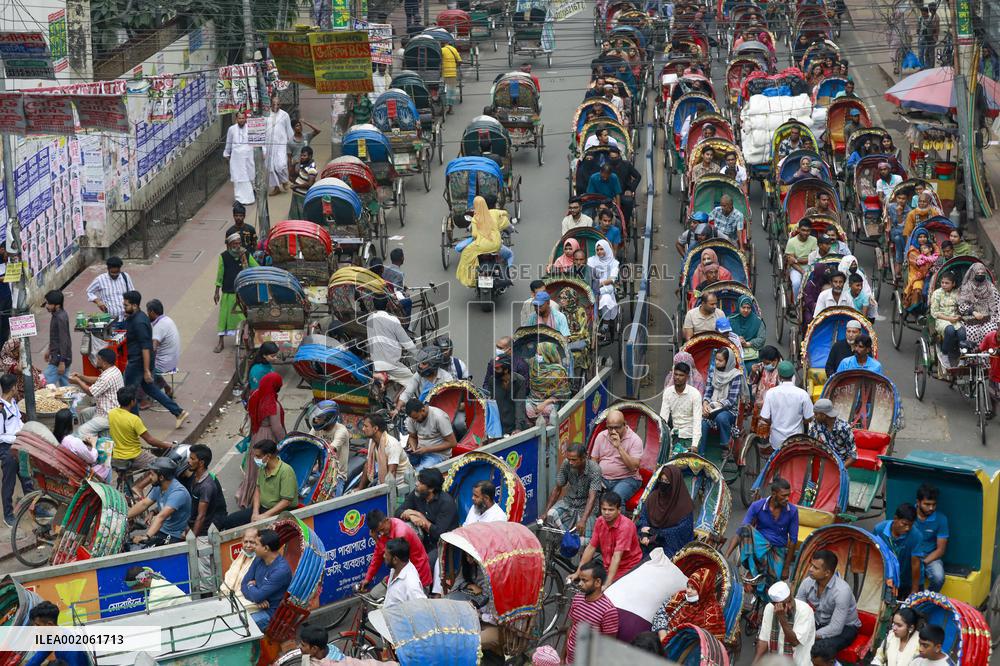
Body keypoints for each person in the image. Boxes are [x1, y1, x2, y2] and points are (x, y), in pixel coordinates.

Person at [728, 477, 800, 585]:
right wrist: (726, 556)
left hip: (778, 549)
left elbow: (793, 540)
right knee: (746, 528)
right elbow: (740, 531)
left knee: (772, 585)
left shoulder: (793, 511)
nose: (787, 499)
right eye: (784, 495)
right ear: (774, 494)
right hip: (759, 547)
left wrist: (786, 567)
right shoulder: (757, 506)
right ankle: (751, 568)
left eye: (788, 495)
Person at [108, 386, 174, 494]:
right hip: (134, 456)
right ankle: (138, 486)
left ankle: (129, 496)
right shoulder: (134, 419)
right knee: (159, 466)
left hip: (116, 456)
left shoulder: (111, 413)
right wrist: (167, 445)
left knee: (126, 478)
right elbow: (150, 440)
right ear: (132, 402)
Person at [236, 371, 286, 509]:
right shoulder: (272, 404)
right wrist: (284, 442)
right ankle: (257, 502)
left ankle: (245, 497)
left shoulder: (255, 396)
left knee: (253, 469)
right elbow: (277, 428)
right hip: (268, 436)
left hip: (256, 434)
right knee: (264, 470)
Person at [797, 550, 862, 654]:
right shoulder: (807, 582)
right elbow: (799, 607)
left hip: (845, 627)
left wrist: (810, 636)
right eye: (811, 565)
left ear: (827, 573)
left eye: (815, 568)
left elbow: (836, 628)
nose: (810, 570)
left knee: (820, 649)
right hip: (819, 621)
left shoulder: (842, 591)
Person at [224, 439, 297, 528]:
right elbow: (258, 490)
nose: (255, 459)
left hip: (280, 512)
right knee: (229, 521)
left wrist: (265, 515)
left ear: (268, 456)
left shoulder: (286, 471)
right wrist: (255, 512)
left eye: (258, 456)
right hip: (262, 509)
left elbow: (286, 501)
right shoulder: (263, 468)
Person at [573, 492, 642, 584]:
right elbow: (591, 548)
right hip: (608, 566)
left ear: (619, 510)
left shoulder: (626, 526)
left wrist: (607, 583)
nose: (606, 513)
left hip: (628, 568)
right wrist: (578, 572)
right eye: (604, 509)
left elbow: (616, 556)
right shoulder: (600, 521)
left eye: (611, 510)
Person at [396, 466, 458, 566]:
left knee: (425, 564)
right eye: (417, 480)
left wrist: (421, 517)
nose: (416, 484)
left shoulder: (446, 503)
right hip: (423, 541)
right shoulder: (417, 494)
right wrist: (412, 516)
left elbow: (439, 534)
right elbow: (398, 512)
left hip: (442, 546)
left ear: (431, 488)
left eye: (421, 483)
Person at [126, 457, 192, 548]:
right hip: (162, 530)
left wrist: (146, 536)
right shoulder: (159, 486)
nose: (150, 477)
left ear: (161, 477)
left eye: (152, 474)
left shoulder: (178, 493)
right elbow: (144, 504)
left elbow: (161, 517)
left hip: (174, 535)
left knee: (144, 553)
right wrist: (124, 517)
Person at [360, 509, 432, 590]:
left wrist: (377, 540)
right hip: (400, 575)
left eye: (382, 530)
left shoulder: (401, 533)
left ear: (386, 520)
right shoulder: (385, 531)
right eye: (379, 532)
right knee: (375, 595)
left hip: (417, 578)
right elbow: (377, 556)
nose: (382, 534)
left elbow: (392, 558)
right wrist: (367, 578)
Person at [543, 443, 602, 538]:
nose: (570, 462)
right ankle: (562, 541)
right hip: (568, 502)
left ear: (584, 457)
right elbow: (557, 489)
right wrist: (546, 512)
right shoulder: (566, 464)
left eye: (574, 460)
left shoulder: (594, 469)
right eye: (569, 459)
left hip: (586, 507)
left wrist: (583, 520)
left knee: (584, 541)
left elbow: (592, 497)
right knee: (551, 515)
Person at [651, 567, 726, 642]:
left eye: (693, 588)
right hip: (660, 635)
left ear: (704, 590)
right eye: (688, 586)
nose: (688, 591)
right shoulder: (680, 596)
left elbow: (703, 643)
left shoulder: (712, 613)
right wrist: (662, 632)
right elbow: (661, 612)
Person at [564, 562, 619, 663]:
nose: (580, 584)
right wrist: (563, 658)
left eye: (584, 580)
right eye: (580, 580)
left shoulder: (608, 610)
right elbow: (571, 629)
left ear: (597, 582)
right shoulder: (577, 598)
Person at [636, 465, 694, 557]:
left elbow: (682, 531)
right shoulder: (653, 497)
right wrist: (644, 534)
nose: (663, 484)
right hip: (649, 539)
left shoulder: (684, 505)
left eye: (667, 481)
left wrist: (658, 533)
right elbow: (643, 517)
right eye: (661, 480)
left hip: (670, 544)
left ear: (675, 484)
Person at [242, 528, 293, 632]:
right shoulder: (259, 559)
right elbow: (243, 583)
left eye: (256, 544)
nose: (253, 547)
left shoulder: (281, 571)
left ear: (265, 548)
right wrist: (257, 597)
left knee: (241, 625)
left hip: (271, 614)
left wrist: (251, 586)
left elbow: (254, 592)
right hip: (257, 606)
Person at [755, 580, 816, 666]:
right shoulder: (769, 608)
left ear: (791, 594)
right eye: (783, 604)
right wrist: (755, 662)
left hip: (798, 663)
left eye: (790, 601)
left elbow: (794, 642)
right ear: (773, 604)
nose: (789, 606)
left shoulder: (804, 611)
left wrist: (782, 618)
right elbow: (764, 640)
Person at [215, 233, 259, 353]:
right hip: (228, 291)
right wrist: (216, 291)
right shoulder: (223, 257)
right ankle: (221, 342)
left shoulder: (245, 254)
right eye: (235, 243)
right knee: (223, 317)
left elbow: (256, 267)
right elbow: (220, 274)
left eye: (239, 243)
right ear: (229, 245)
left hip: (242, 291)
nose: (238, 246)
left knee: (242, 316)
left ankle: (241, 339)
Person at [590, 409, 643, 501]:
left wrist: (619, 447)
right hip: (603, 478)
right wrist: (596, 478)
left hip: (627, 479)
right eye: (610, 428)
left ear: (624, 424)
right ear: (606, 425)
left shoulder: (635, 439)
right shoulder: (601, 436)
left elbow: (633, 467)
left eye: (617, 427)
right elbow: (593, 461)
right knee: (588, 492)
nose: (613, 431)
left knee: (615, 499)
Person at [760, 361, 813, 450]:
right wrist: (800, 420)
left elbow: (764, 417)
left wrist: (774, 422)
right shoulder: (802, 394)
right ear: (793, 376)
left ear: (779, 377)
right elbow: (809, 417)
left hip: (777, 441)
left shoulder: (771, 393)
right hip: (796, 440)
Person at [873, 503, 922, 599]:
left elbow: (915, 564)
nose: (907, 528)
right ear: (895, 518)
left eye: (910, 525)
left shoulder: (916, 536)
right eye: (904, 524)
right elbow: (874, 555)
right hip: (886, 578)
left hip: (907, 579)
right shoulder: (879, 530)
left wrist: (914, 590)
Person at [701, 348, 744, 455]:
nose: (716, 362)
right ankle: (700, 452)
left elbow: (731, 400)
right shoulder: (712, 372)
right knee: (702, 423)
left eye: (720, 361)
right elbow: (708, 392)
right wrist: (705, 404)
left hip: (728, 410)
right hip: (712, 407)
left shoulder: (736, 376)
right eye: (716, 359)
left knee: (721, 417)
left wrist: (718, 405)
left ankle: (725, 444)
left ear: (727, 361)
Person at [456, 196, 503, 289]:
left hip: (482, 245)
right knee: (507, 255)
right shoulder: (494, 215)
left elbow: (474, 235)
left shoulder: (475, 218)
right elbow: (504, 221)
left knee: (466, 255)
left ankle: (469, 280)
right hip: (496, 244)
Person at [659, 361, 703, 461]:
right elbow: (663, 418)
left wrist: (695, 444)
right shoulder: (668, 392)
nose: (677, 377)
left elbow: (697, 421)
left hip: (689, 437)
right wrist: (661, 438)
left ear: (687, 377)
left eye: (681, 375)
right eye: (676, 374)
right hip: (674, 435)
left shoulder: (695, 394)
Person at [358, 411, 412, 490]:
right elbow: (368, 465)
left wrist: (386, 494)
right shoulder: (372, 441)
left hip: (401, 485)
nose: (363, 429)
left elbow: (391, 473)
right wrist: (359, 489)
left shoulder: (392, 444)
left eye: (366, 426)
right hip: (385, 481)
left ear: (375, 428)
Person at [308, 401, 349, 497]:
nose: (316, 420)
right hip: (319, 472)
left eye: (320, 418)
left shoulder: (341, 431)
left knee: (331, 504)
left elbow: (330, 450)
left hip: (336, 475)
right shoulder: (317, 429)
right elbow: (308, 441)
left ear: (329, 418)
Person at [53, 408, 108, 481]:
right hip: (79, 474)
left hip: (67, 469)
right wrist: (93, 444)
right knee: (107, 466)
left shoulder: (54, 439)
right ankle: (106, 489)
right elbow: (92, 458)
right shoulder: (73, 442)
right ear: (70, 423)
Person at [404, 398, 458, 471]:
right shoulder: (412, 418)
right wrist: (414, 448)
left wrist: (427, 449)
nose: (414, 421)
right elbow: (412, 437)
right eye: (412, 418)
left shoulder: (439, 417)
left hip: (438, 455)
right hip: (420, 451)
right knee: (401, 465)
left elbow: (452, 443)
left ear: (423, 410)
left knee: (419, 473)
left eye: (416, 418)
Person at [913, 483, 949, 592]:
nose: (931, 508)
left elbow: (940, 550)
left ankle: (926, 601)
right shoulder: (909, 514)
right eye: (927, 504)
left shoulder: (941, 519)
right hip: (910, 556)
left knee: (939, 578)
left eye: (934, 504)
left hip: (930, 557)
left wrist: (923, 563)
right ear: (918, 502)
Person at [187, 444, 226, 537]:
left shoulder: (206, 486)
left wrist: (192, 540)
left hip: (207, 525)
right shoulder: (195, 475)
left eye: (192, 459)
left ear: (201, 463)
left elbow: (201, 516)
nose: (188, 461)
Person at [525, 341, 572, 420]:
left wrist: (544, 403)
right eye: (536, 353)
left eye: (540, 354)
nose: (537, 356)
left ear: (548, 355)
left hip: (550, 402)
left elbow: (562, 393)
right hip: (532, 399)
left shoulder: (559, 371)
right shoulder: (533, 363)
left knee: (547, 410)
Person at [958, 263, 1000, 349]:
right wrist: (973, 312)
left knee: (989, 331)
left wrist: (997, 320)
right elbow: (962, 305)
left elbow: (997, 304)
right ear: (973, 273)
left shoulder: (990, 287)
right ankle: (973, 358)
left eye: (982, 273)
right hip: (972, 319)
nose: (980, 275)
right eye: (978, 273)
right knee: (972, 333)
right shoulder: (966, 288)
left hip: (989, 318)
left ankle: (989, 358)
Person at [488, 354, 528, 435]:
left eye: (497, 368)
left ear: (506, 370)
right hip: (497, 426)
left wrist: (518, 428)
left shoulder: (519, 381)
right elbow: (492, 405)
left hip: (512, 424)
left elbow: (519, 405)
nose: (494, 370)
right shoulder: (492, 380)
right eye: (494, 368)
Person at [808, 399, 856, 466]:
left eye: (816, 414)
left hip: (841, 464)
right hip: (824, 462)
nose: (814, 416)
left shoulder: (844, 428)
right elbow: (810, 442)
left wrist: (841, 470)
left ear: (823, 415)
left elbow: (853, 455)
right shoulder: (816, 423)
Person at [383, 538, 428, 608]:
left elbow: (422, 608)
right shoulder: (395, 568)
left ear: (395, 560)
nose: (384, 556)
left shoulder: (411, 584)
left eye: (386, 555)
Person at [86, 256, 133, 323]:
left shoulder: (125, 277)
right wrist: (98, 301)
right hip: (111, 320)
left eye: (117, 272)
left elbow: (132, 294)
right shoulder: (100, 279)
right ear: (108, 269)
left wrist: (131, 310)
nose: (115, 275)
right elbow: (89, 292)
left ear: (120, 269)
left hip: (127, 318)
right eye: (112, 273)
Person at [224, 110, 255, 205]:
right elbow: (228, 142)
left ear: (245, 118)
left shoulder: (250, 128)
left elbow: (257, 141)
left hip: (248, 156)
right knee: (238, 179)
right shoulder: (231, 129)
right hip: (236, 158)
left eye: (243, 118)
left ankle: (249, 198)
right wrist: (226, 153)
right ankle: (239, 200)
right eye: (239, 118)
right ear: (236, 119)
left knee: (249, 177)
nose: (241, 120)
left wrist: (264, 151)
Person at [264, 97, 294, 195]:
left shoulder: (285, 115)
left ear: (280, 105)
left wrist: (291, 144)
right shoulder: (266, 115)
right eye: (273, 104)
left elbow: (289, 130)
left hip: (281, 143)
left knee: (281, 164)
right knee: (270, 167)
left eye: (277, 104)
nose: (275, 106)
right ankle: (276, 187)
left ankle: (285, 181)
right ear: (270, 104)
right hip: (268, 144)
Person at [42, 290, 72, 387]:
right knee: (65, 387)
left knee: (44, 383)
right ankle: (70, 401)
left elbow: (64, 340)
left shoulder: (60, 318)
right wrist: (49, 349)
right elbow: (55, 337)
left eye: (49, 303)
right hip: (61, 357)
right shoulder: (59, 315)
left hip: (58, 359)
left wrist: (62, 362)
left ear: (57, 305)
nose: (46, 306)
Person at [731, 295, 765, 371]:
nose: (746, 310)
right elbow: (725, 336)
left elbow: (761, 339)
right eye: (743, 307)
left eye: (748, 308)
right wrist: (736, 340)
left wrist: (747, 344)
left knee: (750, 368)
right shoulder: (731, 320)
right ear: (739, 307)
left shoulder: (758, 321)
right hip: (733, 355)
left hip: (750, 358)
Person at [786, 221, 819, 299]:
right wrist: (802, 271)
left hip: (810, 266)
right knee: (796, 283)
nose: (805, 233)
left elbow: (813, 258)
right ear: (799, 229)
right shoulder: (791, 242)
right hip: (796, 268)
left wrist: (797, 260)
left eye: (808, 231)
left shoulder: (814, 240)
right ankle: (796, 302)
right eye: (803, 230)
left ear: (810, 231)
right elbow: (791, 262)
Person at [288, 146, 318, 219]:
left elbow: (310, 184)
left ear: (310, 156)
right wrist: (293, 165)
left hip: (303, 196)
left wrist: (296, 186)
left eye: (304, 155)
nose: (302, 157)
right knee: (296, 216)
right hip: (296, 195)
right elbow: (292, 175)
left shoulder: (312, 167)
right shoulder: (303, 164)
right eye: (301, 155)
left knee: (303, 216)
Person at [441, 40, 461, 112]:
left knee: (442, 91)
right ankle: (451, 109)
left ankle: (442, 108)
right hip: (452, 73)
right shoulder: (453, 49)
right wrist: (455, 66)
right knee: (451, 91)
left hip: (443, 74)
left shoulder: (441, 50)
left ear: (442, 43)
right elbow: (459, 61)